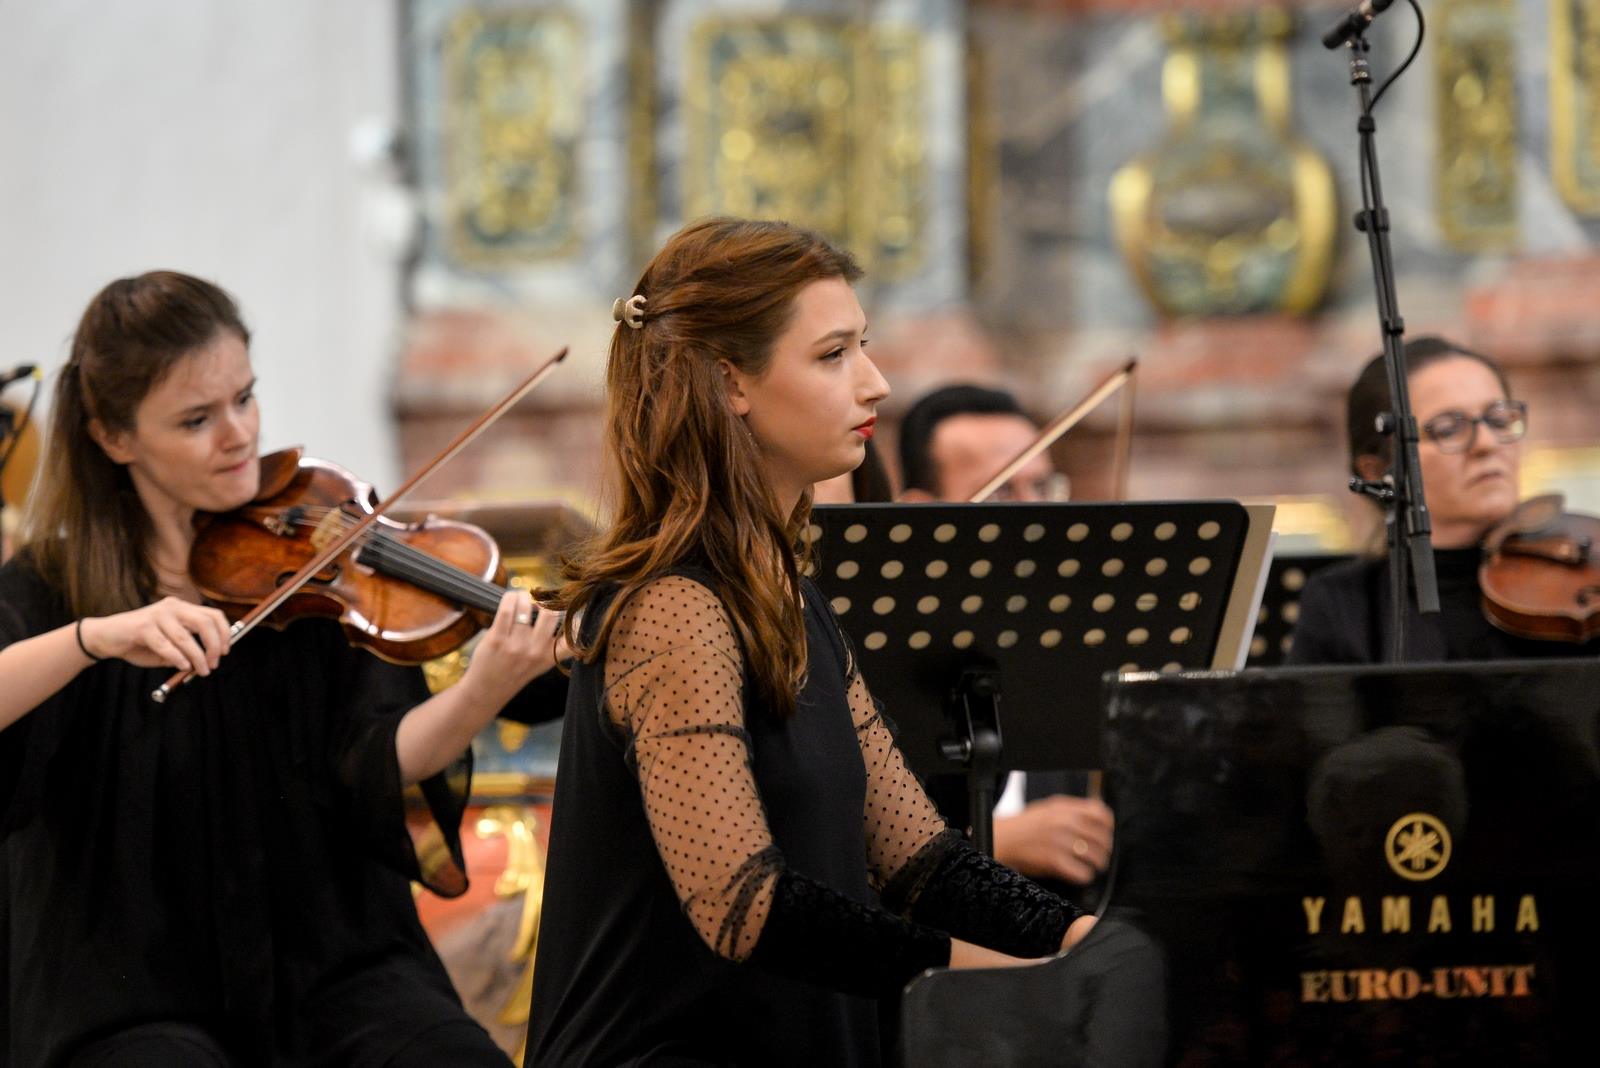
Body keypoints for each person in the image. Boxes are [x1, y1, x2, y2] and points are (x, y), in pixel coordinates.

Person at [527, 218, 1096, 1068]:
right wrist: (1022, 973)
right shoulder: (673, 608)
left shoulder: (792, 596)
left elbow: (920, 859)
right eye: (833, 355)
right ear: (730, 382)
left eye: (864, 346)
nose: (876, 383)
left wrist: (1081, 936)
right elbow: (742, 907)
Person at [0, 271, 564, 1067]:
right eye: (197, 419)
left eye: (245, 397)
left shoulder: (312, 565)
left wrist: (486, 687)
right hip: (129, 993)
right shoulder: (51, 587)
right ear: (115, 438)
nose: (238, 435)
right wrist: (93, 638)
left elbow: (373, 762)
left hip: (331, 965)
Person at [895, 383, 1114, 890]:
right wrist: (992, 844)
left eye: (1042, 487)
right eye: (1000, 492)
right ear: (920, 511)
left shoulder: (1079, 647)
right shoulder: (875, 664)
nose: (1034, 516)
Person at [1287, 335, 1597, 665]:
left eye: (1499, 419)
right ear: (1377, 471)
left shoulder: (1586, 577)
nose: (1487, 444)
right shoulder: (1345, 606)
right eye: (1448, 429)